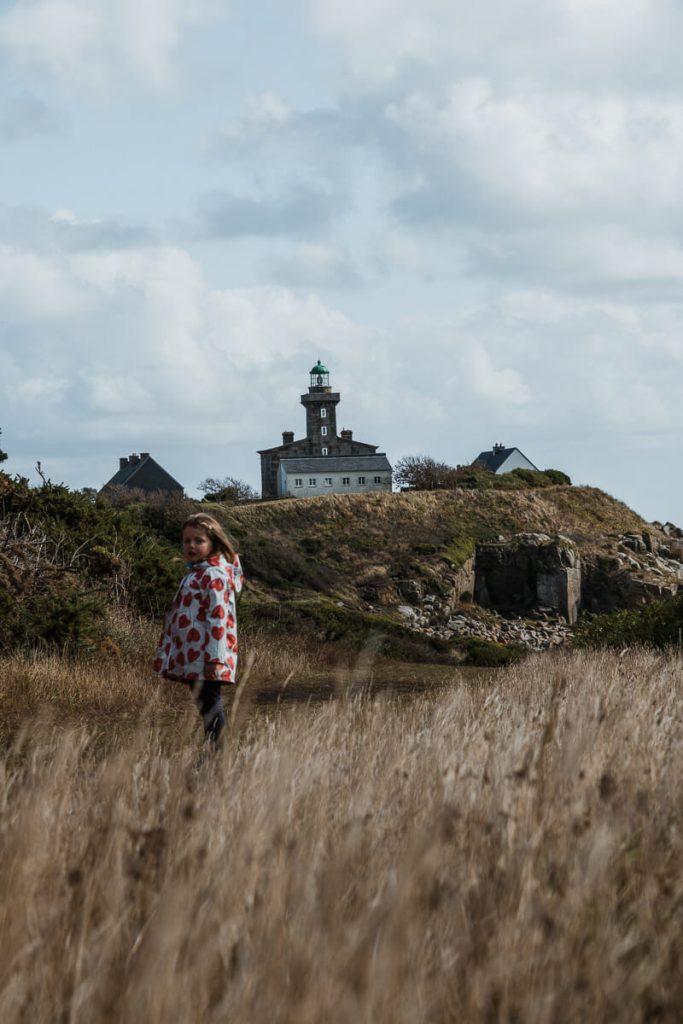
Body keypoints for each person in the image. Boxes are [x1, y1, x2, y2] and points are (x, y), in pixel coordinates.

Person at [153, 512, 243, 744]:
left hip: (208, 657)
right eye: (186, 541)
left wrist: (215, 657)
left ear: (213, 543)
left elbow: (218, 619)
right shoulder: (196, 572)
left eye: (199, 541)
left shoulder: (214, 575)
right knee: (206, 705)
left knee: (211, 704)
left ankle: (218, 756)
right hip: (194, 655)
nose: (191, 545)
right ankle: (214, 753)